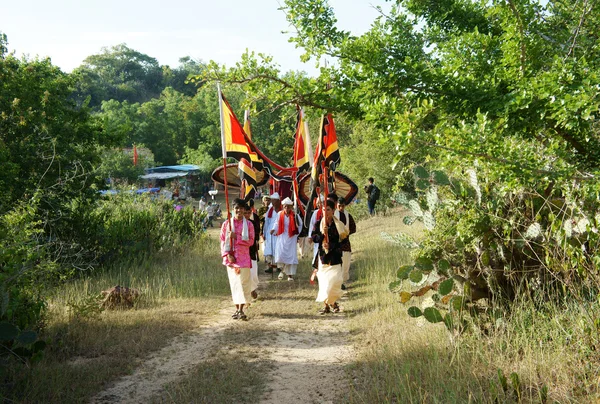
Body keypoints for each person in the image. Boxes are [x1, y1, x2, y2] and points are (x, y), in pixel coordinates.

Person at [311, 199, 349, 314]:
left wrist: (331, 245)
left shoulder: (339, 225)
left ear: (333, 210)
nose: (325, 212)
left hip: (335, 257)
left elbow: (344, 241)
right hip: (323, 258)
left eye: (328, 210)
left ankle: (333, 303)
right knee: (324, 283)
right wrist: (322, 235)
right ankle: (328, 305)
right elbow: (314, 238)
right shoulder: (319, 224)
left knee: (335, 282)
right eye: (323, 210)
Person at [220, 198, 255, 321]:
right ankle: (237, 309)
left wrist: (237, 237)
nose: (239, 211)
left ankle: (241, 309)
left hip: (244, 259)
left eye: (241, 208)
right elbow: (223, 241)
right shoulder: (227, 224)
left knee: (244, 284)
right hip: (232, 260)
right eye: (236, 208)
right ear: (233, 209)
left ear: (244, 210)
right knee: (235, 284)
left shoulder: (249, 224)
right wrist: (227, 254)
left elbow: (251, 241)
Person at [270, 197, 302, 281]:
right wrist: (273, 230)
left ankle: (290, 275)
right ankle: (282, 270)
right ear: (283, 207)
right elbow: (276, 224)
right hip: (282, 236)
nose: (286, 208)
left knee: (290, 256)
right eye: (285, 206)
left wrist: (296, 233)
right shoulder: (280, 214)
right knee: (281, 255)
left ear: (291, 207)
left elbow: (300, 225)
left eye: (288, 206)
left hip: (291, 238)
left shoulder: (295, 215)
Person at [335, 197, 357, 290]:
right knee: (336, 263)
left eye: (343, 206)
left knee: (346, 262)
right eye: (339, 206)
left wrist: (346, 233)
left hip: (346, 242)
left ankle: (342, 282)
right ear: (336, 205)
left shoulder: (348, 216)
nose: (341, 208)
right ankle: (337, 283)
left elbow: (353, 228)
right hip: (335, 243)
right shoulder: (333, 215)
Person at [244, 200, 261, 299]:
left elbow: (256, 235)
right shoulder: (238, 224)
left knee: (253, 272)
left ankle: (253, 288)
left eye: (248, 213)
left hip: (252, 250)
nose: (246, 215)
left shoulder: (253, 223)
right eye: (245, 213)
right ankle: (247, 293)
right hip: (242, 252)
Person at [262, 192, 282, 274]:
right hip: (270, 232)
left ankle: (278, 266)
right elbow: (266, 222)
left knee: (278, 250)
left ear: (278, 201)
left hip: (279, 233)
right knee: (269, 250)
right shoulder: (270, 211)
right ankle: (270, 267)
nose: (273, 202)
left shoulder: (281, 210)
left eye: (274, 200)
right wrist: (265, 232)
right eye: (272, 200)